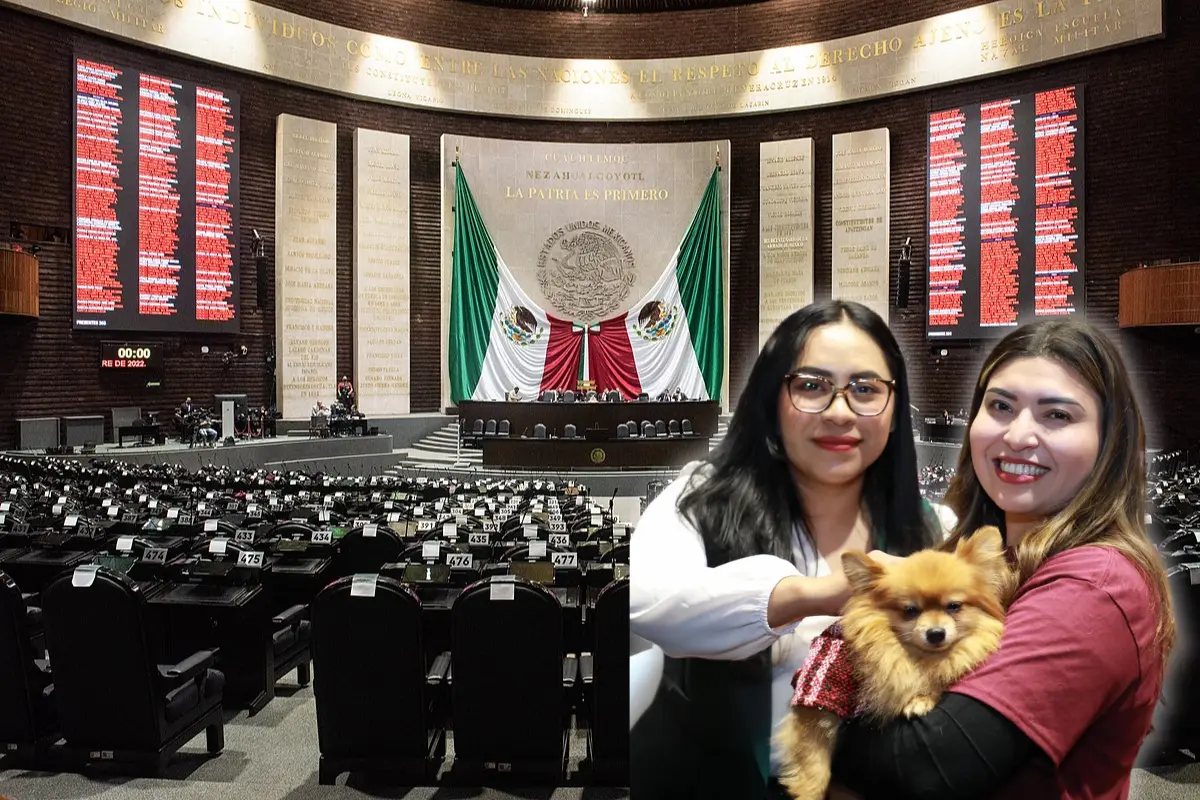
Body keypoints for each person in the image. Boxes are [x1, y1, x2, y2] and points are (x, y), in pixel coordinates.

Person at [830, 318, 1175, 799]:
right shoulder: (980, 557)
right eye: (1000, 406)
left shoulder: (1095, 584)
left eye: (1057, 415)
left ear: (1108, 444)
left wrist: (813, 708)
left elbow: (922, 766)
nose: (1017, 435)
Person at [629, 299, 942, 800]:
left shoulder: (932, 528)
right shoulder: (699, 497)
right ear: (772, 399)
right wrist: (815, 595)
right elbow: (645, 601)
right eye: (812, 386)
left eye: (865, 389)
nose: (840, 412)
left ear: (894, 406)